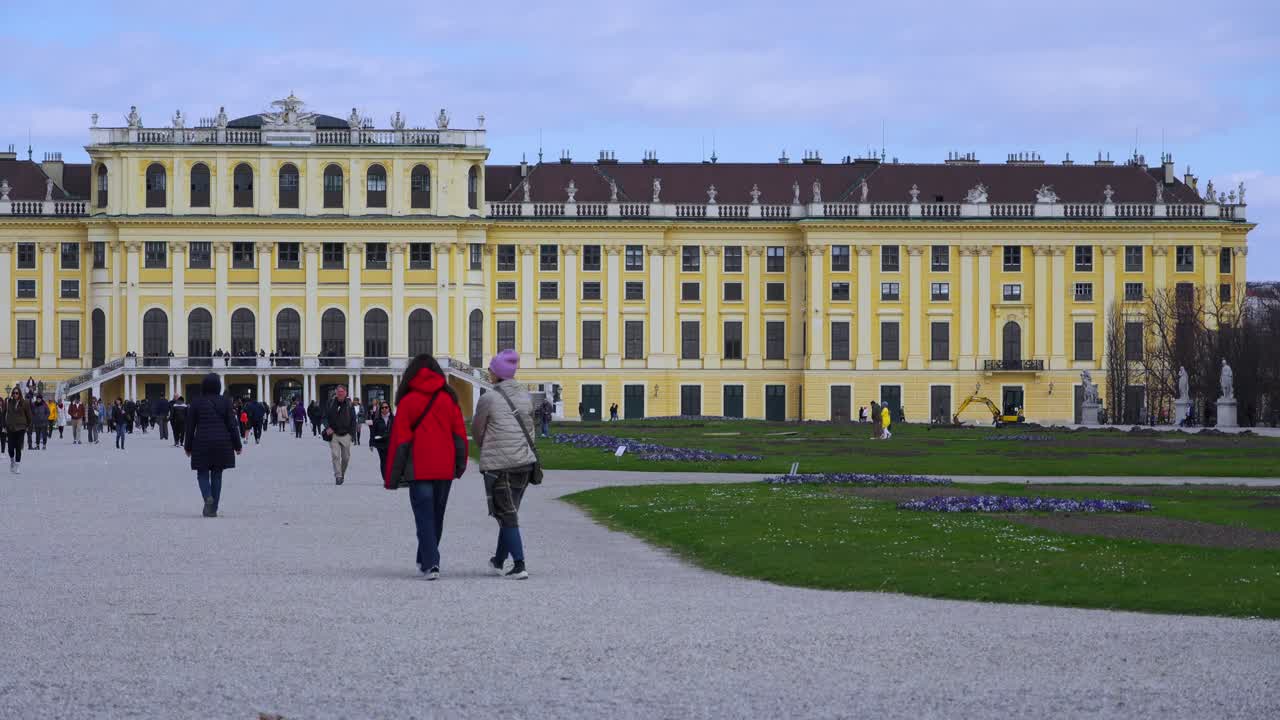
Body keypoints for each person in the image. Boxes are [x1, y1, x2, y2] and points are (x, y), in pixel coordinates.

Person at [384, 354, 468, 580]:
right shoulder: (448, 399)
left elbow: (399, 442)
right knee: (436, 516)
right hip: (444, 467)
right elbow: (460, 436)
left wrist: (392, 476)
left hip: (418, 468)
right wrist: (460, 466)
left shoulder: (408, 401)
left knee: (424, 516)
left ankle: (430, 562)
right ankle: (427, 559)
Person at [472, 349, 537, 580]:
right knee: (509, 512)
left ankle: (519, 565)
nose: (488, 372)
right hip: (524, 463)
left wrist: (487, 448)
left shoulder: (488, 398)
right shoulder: (525, 397)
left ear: (498, 374)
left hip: (499, 466)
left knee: (507, 515)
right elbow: (531, 430)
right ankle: (499, 560)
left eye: (491, 369)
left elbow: (477, 431)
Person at [184, 373, 243, 518]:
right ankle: (213, 508)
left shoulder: (196, 402)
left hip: (202, 442)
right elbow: (232, 425)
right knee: (217, 475)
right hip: (222, 443)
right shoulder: (225, 402)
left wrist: (188, 446)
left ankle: (207, 497)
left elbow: (190, 427)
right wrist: (237, 445)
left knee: (202, 473)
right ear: (218, 386)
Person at [322, 386, 357, 485]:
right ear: (336, 393)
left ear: (345, 393)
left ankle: (342, 474)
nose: (340, 393)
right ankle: (338, 476)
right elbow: (324, 417)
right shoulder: (330, 403)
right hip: (334, 434)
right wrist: (327, 427)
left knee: (346, 457)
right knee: (335, 455)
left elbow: (353, 420)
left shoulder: (350, 404)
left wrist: (352, 435)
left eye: (342, 392)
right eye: (338, 392)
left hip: (346, 434)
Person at [6, 387, 32, 474]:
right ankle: (12, 461)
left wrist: (28, 426)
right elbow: (5, 414)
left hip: (21, 428)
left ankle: (17, 466)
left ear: (20, 394)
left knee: (18, 447)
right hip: (10, 428)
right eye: (14, 393)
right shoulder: (9, 402)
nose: (15, 395)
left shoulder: (25, 403)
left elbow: (29, 416)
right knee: (10, 448)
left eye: (17, 393)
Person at [369, 401, 394, 481]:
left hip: (391, 443)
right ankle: (386, 478)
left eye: (386, 407)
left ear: (389, 408)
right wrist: (371, 443)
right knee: (383, 461)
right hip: (381, 443)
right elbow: (372, 432)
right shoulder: (377, 420)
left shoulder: (394, 419)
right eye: (382, 408)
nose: (384, 409)